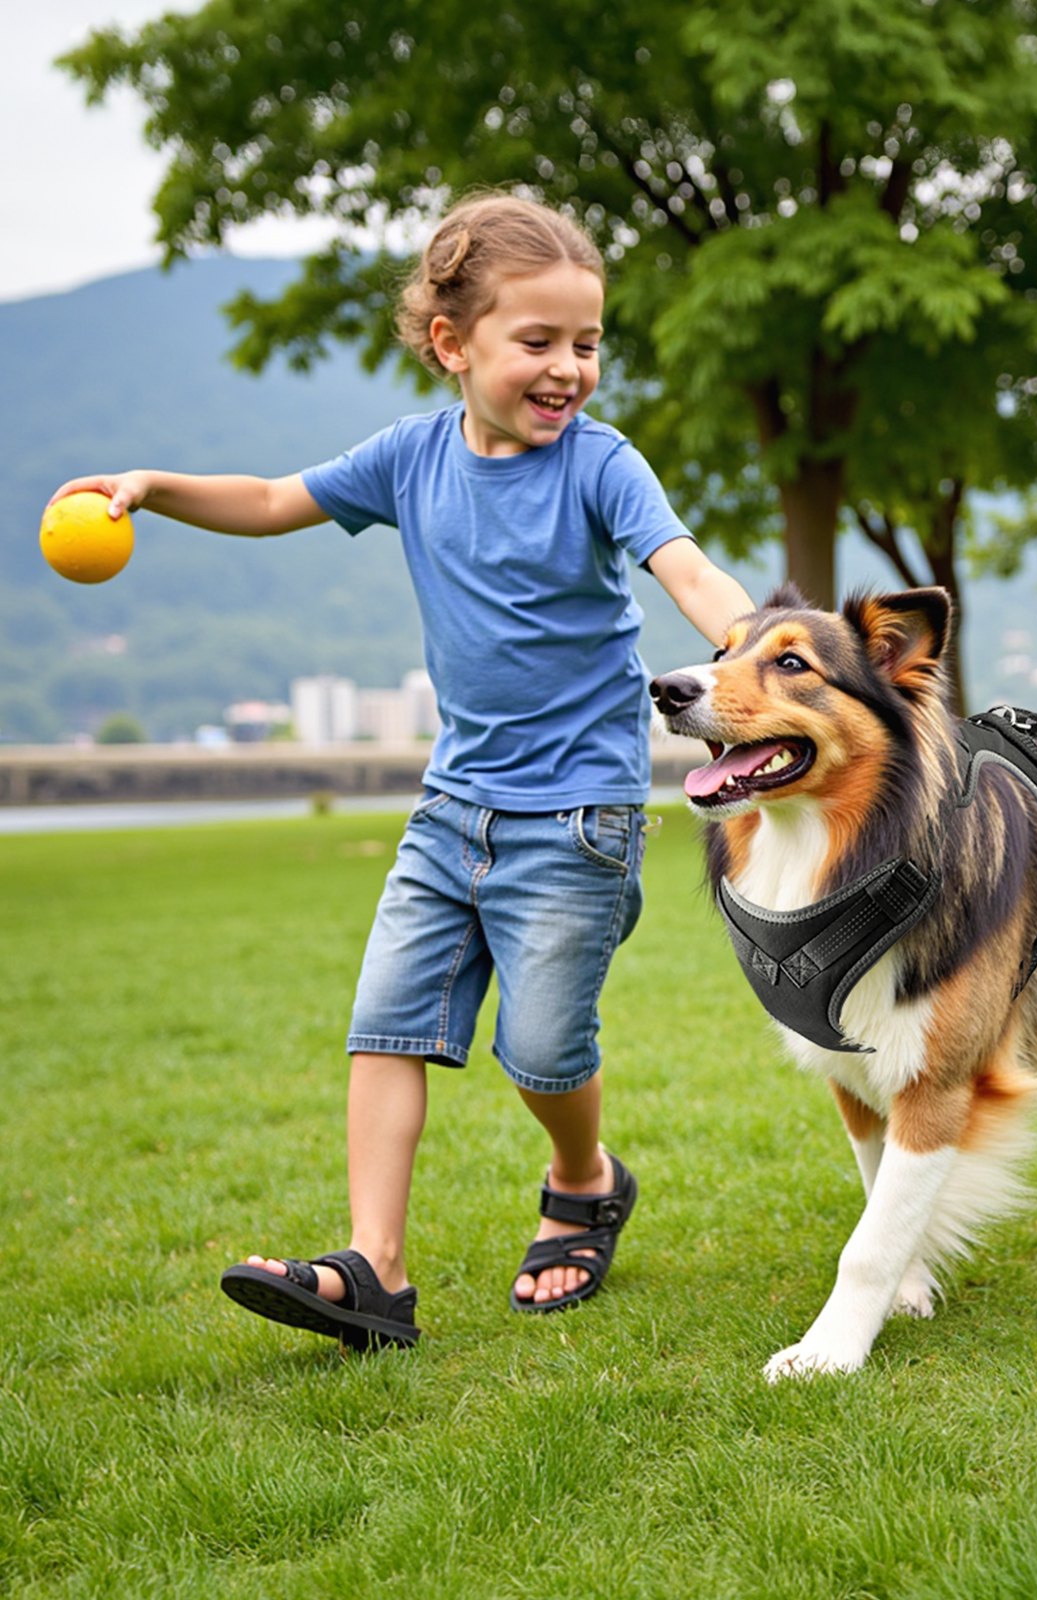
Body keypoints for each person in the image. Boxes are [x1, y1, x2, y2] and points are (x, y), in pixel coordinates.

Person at [47, 193, 754, 1348]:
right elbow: (276, 500)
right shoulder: (408, 457)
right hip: (452, 806)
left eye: (586, 344)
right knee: (385, 1024)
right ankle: (375, 1269)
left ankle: (583, 1178)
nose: (568, 368)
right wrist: (152, 487)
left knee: (539, 1046)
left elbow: (683, 566)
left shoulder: (599, 464)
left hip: (577, 812)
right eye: (538, 342)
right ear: (451, 343)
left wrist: (747, 636)